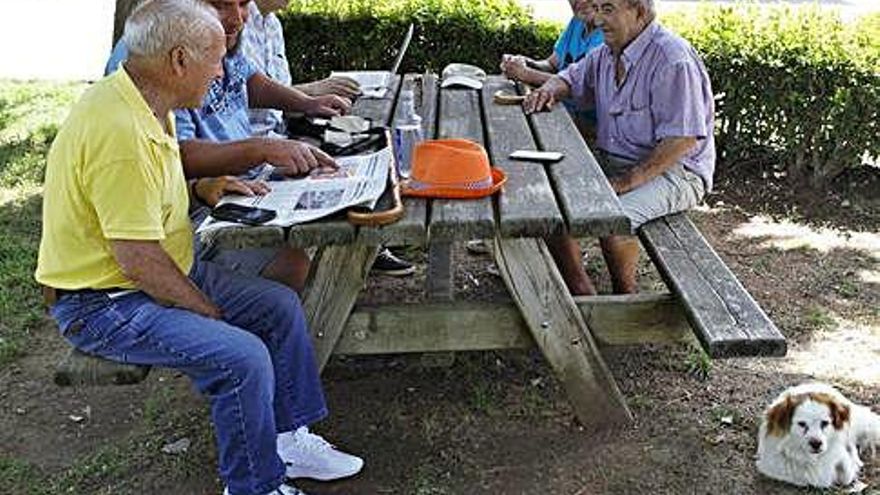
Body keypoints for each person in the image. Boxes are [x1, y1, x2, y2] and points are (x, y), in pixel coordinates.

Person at [35, 2, 362, 494]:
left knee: (278, 306)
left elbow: (150, 193)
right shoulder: (120, 131)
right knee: (242, 355)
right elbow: (138, 261)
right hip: (103, 302)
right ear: (179, 60)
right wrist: (206, 312)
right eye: (213, 59)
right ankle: (253, 486)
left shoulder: (148, 100)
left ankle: (288, 441)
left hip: (156, 273)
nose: (220, 71)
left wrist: (203, 187)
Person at [524, 0, 715, 295]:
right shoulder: (607, 52)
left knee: (613, 220)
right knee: (546, 195)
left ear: (639, 12)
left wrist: (625, 182)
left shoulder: (672, 59)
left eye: (608, 9)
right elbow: (570, 79)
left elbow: (683, 140)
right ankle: (580, 289)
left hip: (677, 171)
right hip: (616, 160)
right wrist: (550, 89)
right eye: (597, 7)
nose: (597, 19)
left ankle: (624, 296)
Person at [238, 0, 416, 276]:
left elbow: (261, 88)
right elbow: (241, 93)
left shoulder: (272, 24)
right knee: (348, 154)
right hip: (259, 151)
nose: (232, 15)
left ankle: (369, 241)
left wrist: (310, 101)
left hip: (281, 134)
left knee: (369, 142)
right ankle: (358, 244)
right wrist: (311, 92)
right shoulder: (231, 27)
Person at [500, 0, 604, 131]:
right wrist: (525, 63)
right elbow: (552, 63)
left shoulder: (610, 35)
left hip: (584, 129)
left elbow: (582, 87)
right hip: (556, 111)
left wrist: (525, 74)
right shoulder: (577, 22)